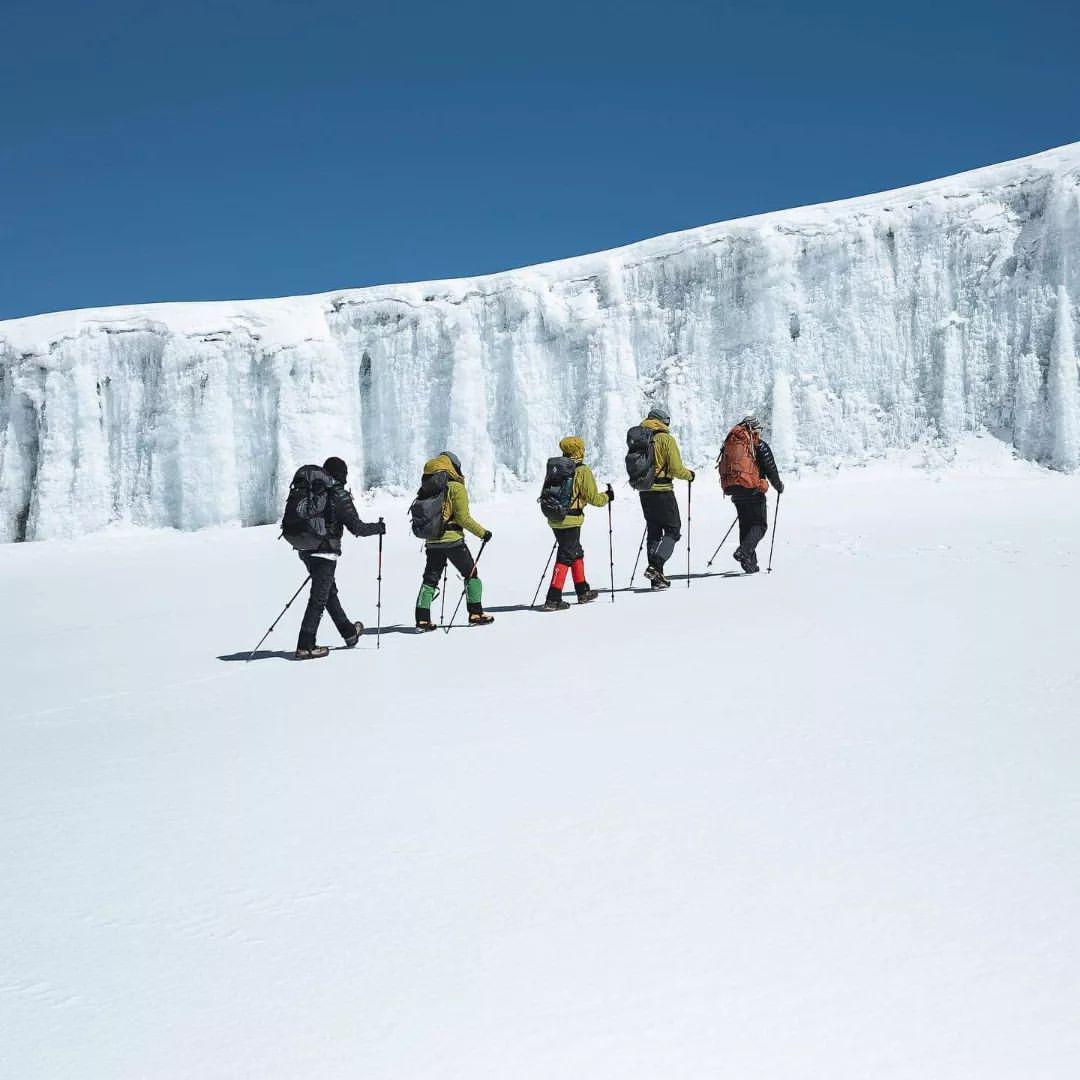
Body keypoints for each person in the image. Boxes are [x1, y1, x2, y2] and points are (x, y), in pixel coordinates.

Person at [293, 456, 385, 660]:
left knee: (328, 593)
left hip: (305, 548)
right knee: (319, 598)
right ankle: (305, 645)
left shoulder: (314, 491)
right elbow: (357, 528)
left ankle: (349, 633)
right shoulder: (338, 494)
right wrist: (378, 528)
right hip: (325, 551)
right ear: (342, 475)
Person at [414, 451, 495, 630]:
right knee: (471, 574)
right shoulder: (456, 488)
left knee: (430, 578)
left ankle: (422, 618)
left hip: (432, 541)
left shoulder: (426, 487)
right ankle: (475, 613)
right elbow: (463, 518)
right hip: (453, 541)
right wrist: (483, 533)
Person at [541, 436, 613, 611]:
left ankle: (582, 591)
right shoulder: (582, 471)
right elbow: (594, 499)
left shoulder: (556, 468)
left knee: (575, 551)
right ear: (579, 450)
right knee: (566, 555)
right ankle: (553, 598)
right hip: (571, 520)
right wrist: (608, 496)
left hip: (555, 518)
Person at [636, 405, 694, 589]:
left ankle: (657, 579)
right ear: (662, 422)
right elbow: (676, 469)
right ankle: (655, 566)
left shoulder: (639, 438)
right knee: (673, 530)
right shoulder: (665, 439)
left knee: (654, 532)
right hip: (663, 491)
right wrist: (690, 475)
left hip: (645, 492)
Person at [717, 415, 784, 573]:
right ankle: (744, 553)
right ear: (753, 429)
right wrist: (779, 486)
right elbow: (770, 469)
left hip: (734, 490)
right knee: (759, 525)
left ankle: (749, 563)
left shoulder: (730, 442)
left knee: (746, 526)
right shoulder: (757, 445)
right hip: (753, 490)